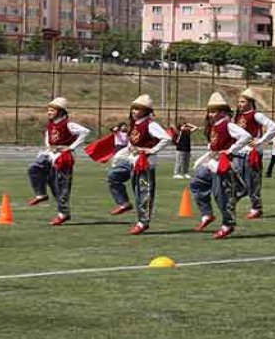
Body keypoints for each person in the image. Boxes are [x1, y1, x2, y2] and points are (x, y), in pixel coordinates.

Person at [188, 92, 253, 239]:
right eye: (210, 111)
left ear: (223, 112)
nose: (211, 115)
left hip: (223, 164)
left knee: (221, 195)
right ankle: (207, 214)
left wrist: (230, 150)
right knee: (196, 183)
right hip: (211, 162)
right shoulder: (213, 126)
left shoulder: (228, 124)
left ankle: (228, 224)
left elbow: (246, 137)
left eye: (214, 111)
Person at [107, 94, 173, 235]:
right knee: (114, 176)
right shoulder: (134, 124)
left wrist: (152, 150)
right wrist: (120, 156)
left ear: (146, 111)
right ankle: (123, 202)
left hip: (145, 163)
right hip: (132, 160)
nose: (134, 111)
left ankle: (143, 222)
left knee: (143, 192)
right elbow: (132, 143)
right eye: (133, 109)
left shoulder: (151, 124)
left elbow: (167, 138)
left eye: (138, 109)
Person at [26, 96, 90, 226]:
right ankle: (41, 194)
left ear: (60, 111)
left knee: (61, 185)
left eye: (52, 110)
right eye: (48, 110)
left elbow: (85, 132)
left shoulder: (68, 124)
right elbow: (48, 134)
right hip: (50, 153)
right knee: (34, 168)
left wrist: (71, 147)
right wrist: (48, 145)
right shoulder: (51, 123)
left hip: (62, 157)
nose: (49, 112)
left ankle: (63, 213)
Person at [233, 88, 275, 220]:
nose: (239, 104)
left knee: (252, 181)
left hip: (250, 153)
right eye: (238, 102)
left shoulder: (255, 115)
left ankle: (256, 207)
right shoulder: (237, 116)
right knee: (236, 180)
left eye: (242, 101)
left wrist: (261, 141)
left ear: (250, 102)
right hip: (238, 153)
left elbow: (273, 127)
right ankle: (233, 200)